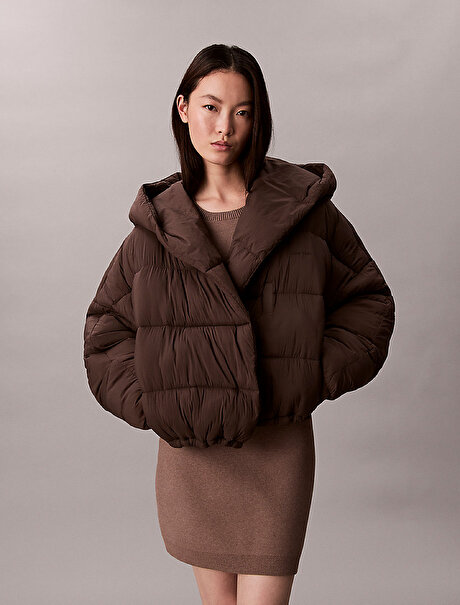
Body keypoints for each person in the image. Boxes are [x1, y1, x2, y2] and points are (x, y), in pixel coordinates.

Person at [83, 44, 396, 605]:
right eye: (210, 106)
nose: (224, 126)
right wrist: (158, 398)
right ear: (183, 109)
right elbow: (105, 331)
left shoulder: (303, 212)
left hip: (276, 450)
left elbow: (368, 301)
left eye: (242, 111)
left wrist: (312, 373)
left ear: (258, 119)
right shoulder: (158, 226)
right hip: (194, 454)